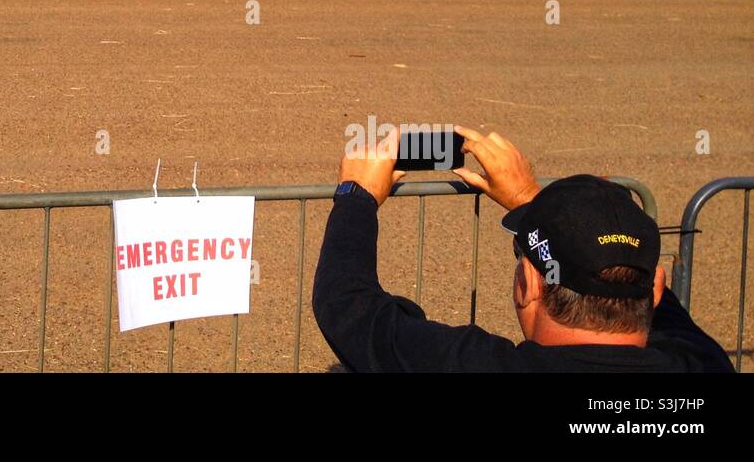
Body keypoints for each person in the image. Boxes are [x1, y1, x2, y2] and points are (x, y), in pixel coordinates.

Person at [311, 125, 734, 372]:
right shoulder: (704, 364)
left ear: (528, 284)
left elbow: (347, 306)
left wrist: (357, 196)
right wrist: (536, 207)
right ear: (657, 289)